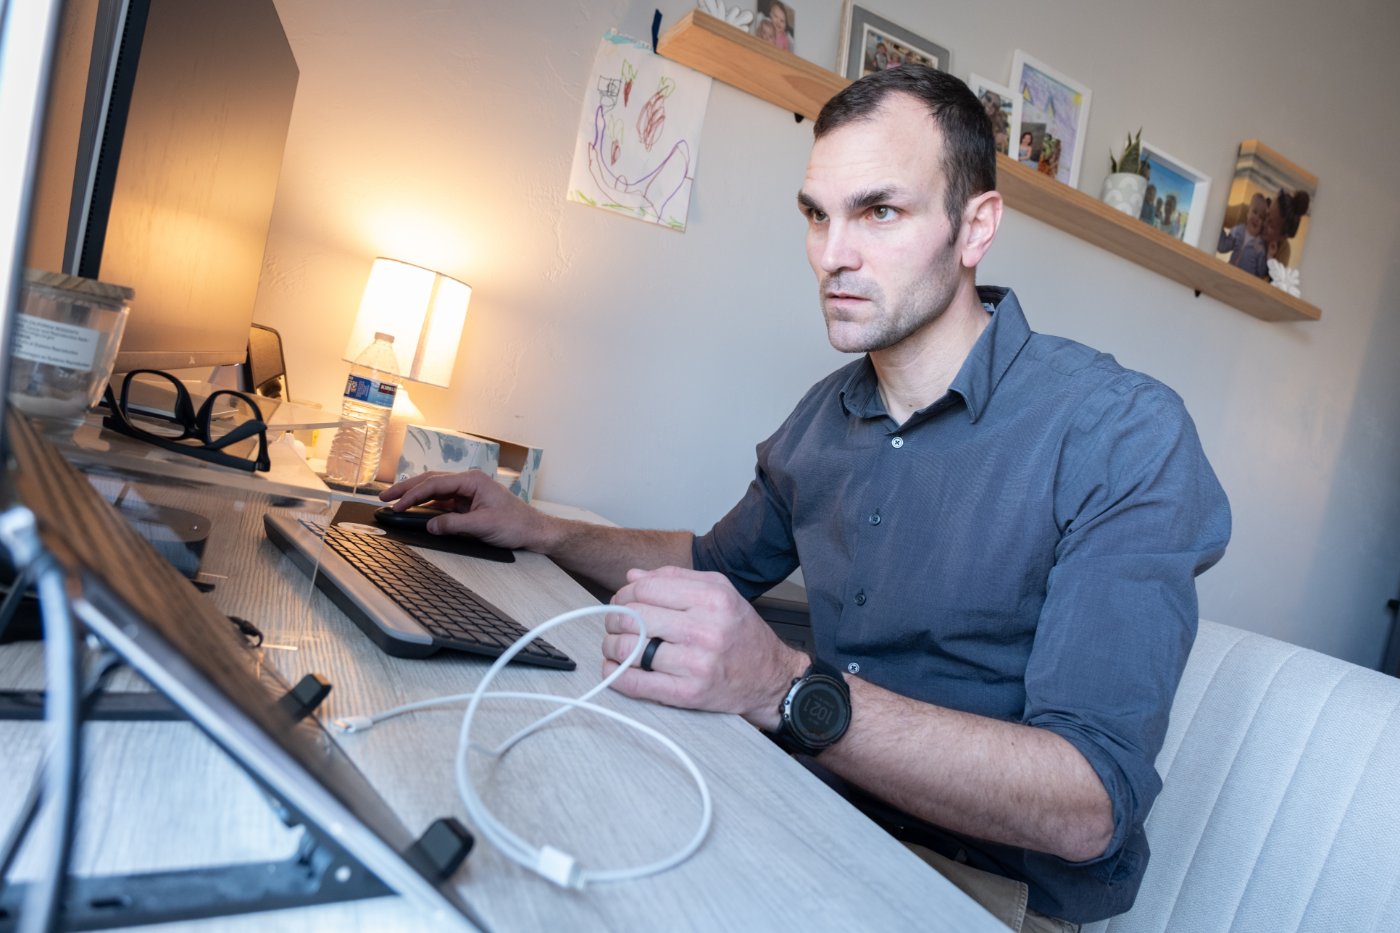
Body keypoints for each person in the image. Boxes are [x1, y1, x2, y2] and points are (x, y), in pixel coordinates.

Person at [385, 64, 1230, 931]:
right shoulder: (826, 416)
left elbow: (1090, 803)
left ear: (974, 227)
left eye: (880, 211)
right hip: (808, 809)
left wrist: (787, 685)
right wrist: (538, 528)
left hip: (979, 891)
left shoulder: (1120, 430)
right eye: (816, 215)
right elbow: (714, 563)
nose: (833, 254)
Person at [1217, 192, 1269, 278]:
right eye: (1254, 212)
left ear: (1263, 224)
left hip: (1245, 281)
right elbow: (1223, 247)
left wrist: (1268, 257)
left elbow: (1261, 272)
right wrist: (1218, 224)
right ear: (1248, 213)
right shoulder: (1238, 231)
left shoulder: (1259, 246)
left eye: (1261, 217)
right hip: (1229, 273)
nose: (1256, 218)